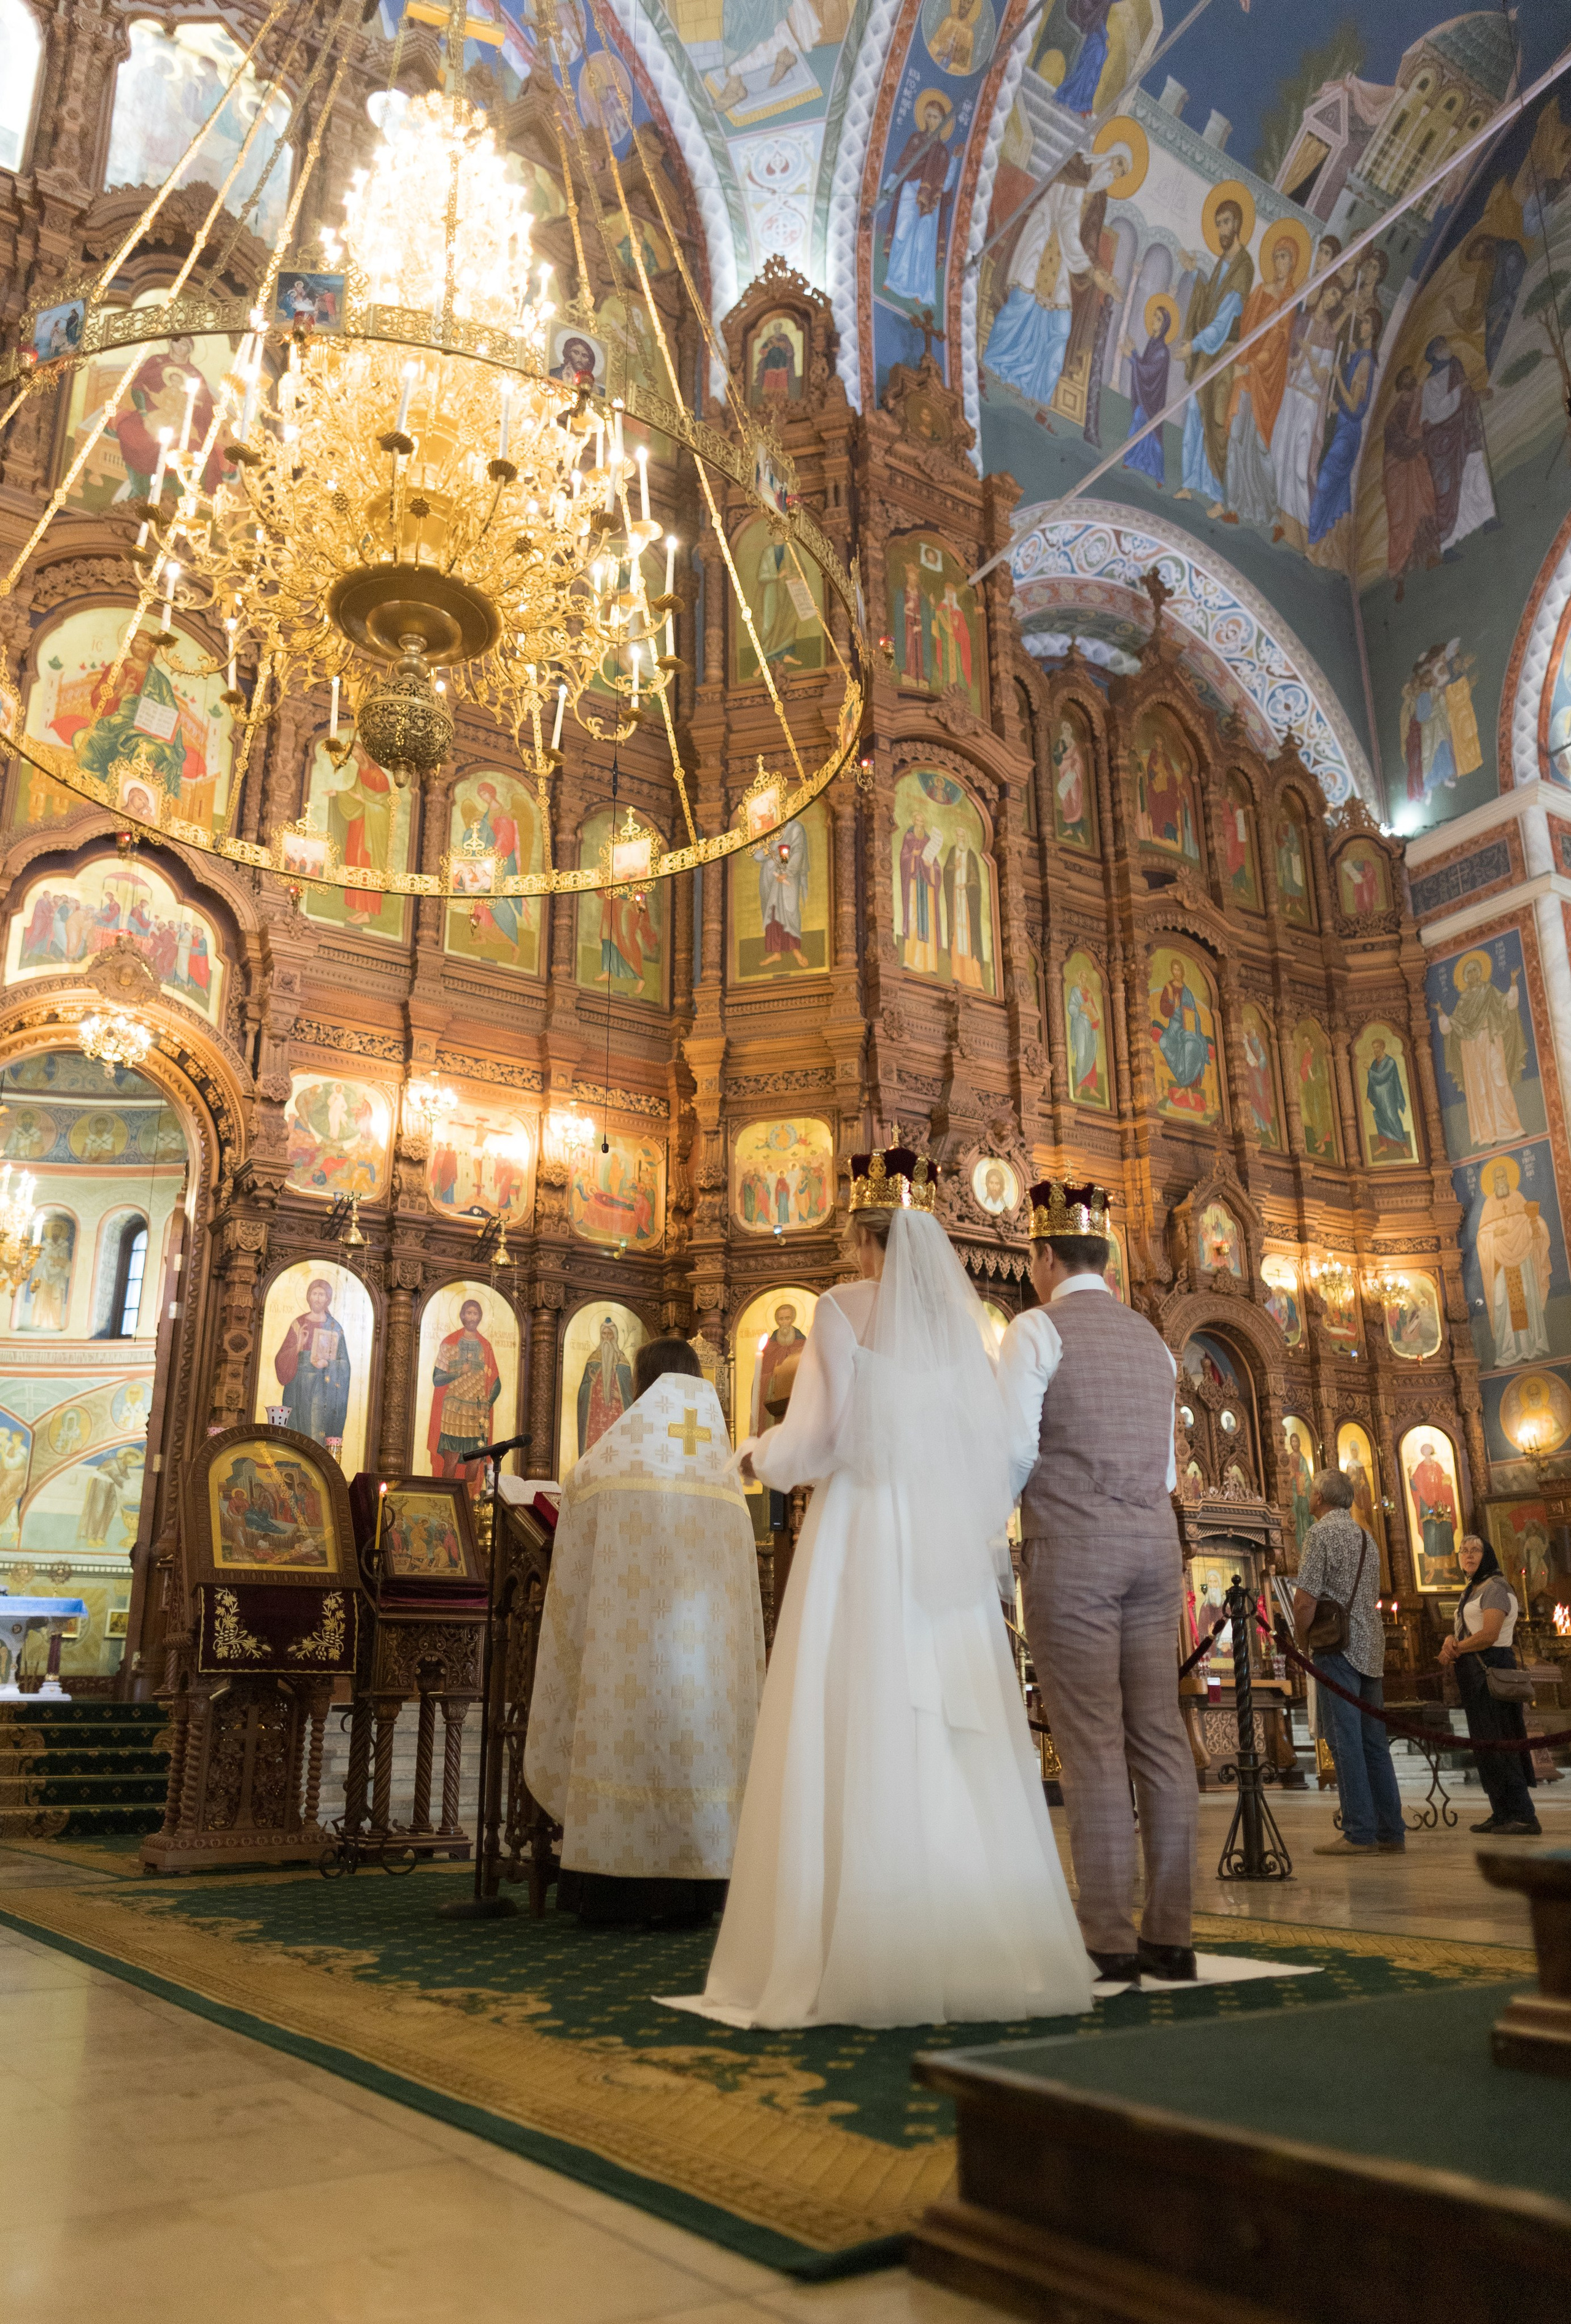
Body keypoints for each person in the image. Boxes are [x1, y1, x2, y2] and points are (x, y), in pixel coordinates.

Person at [664, 1148, 1093, 2028]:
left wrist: (757, 1455)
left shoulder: (840, 1307)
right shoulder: (963, 1323)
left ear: (865, 1238)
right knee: (946, 1719)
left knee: (854, 1707)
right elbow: (984, 1443)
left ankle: (850, 1940)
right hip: (940, 1539)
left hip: (861, 1528)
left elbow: (818, 1439)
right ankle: (974, 1933)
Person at [999, 1179, 1196, 1984]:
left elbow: (1014, 1448)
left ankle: (1109, 1936)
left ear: (1045, 1257)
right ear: (1105, 1258)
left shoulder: (1034, 1329)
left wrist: (982, 1525)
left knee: (1090, 1743)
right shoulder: (1152, 1340)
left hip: (1074, 1548)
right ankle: (1172, 1935)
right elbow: (1168, 1469)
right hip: (1154, 1546)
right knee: (1159, 1734)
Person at [527, 1337, 766, 1926]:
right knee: (696, 1754)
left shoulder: (606, 1465)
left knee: (625, 1747)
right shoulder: (723, 1476)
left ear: (642, 1384)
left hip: (624, 1658)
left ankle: (615, 1893)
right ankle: (699, 1889)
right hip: (704, 1666)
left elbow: (573, 1556)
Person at [1292, 1470, 1405, 1858]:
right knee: (1374, 1743)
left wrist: (1300, 1642)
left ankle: (1359, 1832)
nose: (1310, 1496)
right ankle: (1390, 1831)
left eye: (1312, 1491)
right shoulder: (1366, 1536)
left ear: (1320, 1498)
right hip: (1370, 1645)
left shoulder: (1319, 1533)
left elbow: (1305, 1600)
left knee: (1346, 1742)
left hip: (1337, 1647)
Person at [1440, 1536, 1540, 1836]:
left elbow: (1489, 1635)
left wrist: (1457, 1648)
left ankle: (1524, 1815)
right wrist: (1451, 1640)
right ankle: (1502, 1812)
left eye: (1476, 1550)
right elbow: (1466, 1629)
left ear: (1488, 1555)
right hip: (1474, 1673)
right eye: (1464, 1550)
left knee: (1502, 1742)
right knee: (1485, 1745)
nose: (1469, 1555)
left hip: (1493, 1668)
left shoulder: (1496, 1587)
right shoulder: (1472, 1589)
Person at [272, 1278, 352, 1446]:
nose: (317, 1298)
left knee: (316, 1429)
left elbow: (344, 1365)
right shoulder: (298, 1324)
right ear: (308, 1297)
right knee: (297, 1429)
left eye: (322, 1295)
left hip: (322, 1388)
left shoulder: (335, 1327)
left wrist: (328, 1364)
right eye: (314, 1294)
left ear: (328, 1299)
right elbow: (281, 1360)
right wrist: (298, 1346)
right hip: (297, 1387)